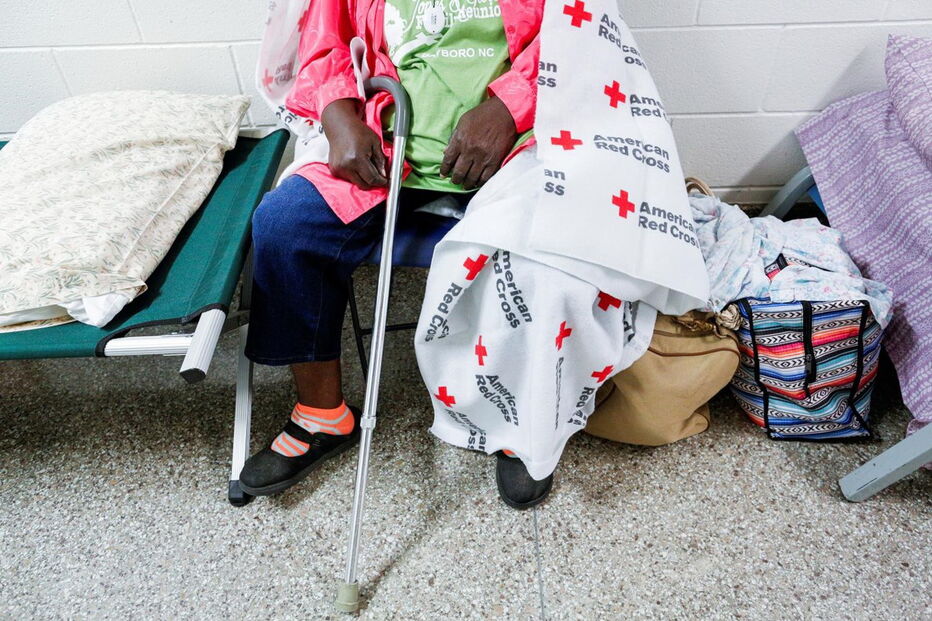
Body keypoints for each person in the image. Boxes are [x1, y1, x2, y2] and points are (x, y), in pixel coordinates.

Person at [238, 0, 550, 508]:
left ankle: (519, 419)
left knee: (546, 242)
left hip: (512, 150)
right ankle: (322, 415)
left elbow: (579, 44)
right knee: (284, 226)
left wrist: (508, 107)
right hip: (384, 151)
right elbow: (324, 46)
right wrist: (339, 117)